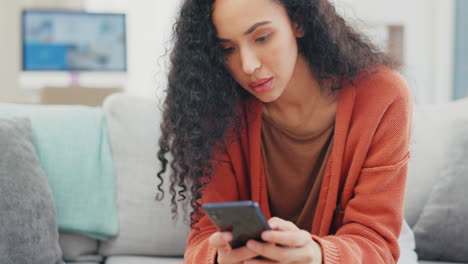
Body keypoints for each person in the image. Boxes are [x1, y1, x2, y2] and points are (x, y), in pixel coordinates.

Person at [156, 0, 414, 263]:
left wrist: (317, 254)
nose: (248, 65)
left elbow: (376, 242)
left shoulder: (383, 96)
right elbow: (202, 240)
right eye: (227, 49)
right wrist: (220, 257)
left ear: (298, 22)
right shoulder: (220, 111)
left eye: (263, 37)